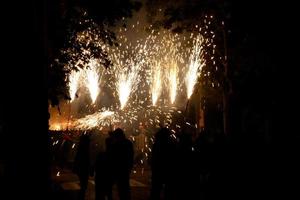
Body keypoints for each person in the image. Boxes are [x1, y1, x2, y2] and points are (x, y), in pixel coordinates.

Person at [150, 127, 177, 200]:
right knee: (168, 191)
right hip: (168, 170)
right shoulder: (171, 144)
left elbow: (153, 158)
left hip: (159, 170)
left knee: (156, 190)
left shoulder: (157, 144)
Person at [107, 128, 134, 200]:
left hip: (118, 169)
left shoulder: (117, 144)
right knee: (124, 188)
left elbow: (111, 153)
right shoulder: (128, 143)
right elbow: (131, 156)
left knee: (120, 188)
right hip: (125, 168)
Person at [73, 132, 91, 200]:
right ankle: (81, 196)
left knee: (83, 184)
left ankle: (81, 196)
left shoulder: (81, 148)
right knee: (83, 184)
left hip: (82, 168)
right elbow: (84, 160)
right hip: (83, 168)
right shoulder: (84, 150)